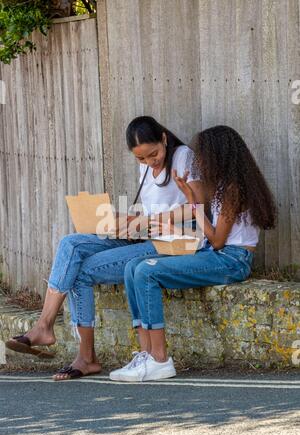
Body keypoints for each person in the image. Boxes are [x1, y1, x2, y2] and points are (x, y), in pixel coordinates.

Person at [5, 116, 203, 380]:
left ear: (164, 139)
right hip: (146, 234)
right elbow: (151, 210)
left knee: (81, 271)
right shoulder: (145, 168)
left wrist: (148, 221)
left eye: (153, 154)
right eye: (141, 159)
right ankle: (45, 324)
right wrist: (123, 220)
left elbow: (197, 204)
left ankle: (85, 356)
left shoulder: (183, 157)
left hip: (175, 241)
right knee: (71, 244)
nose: (149, 162)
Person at [109, 125, 277, 382]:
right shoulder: (222, 186)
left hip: (232, 260)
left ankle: (160, 359)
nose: (198, 160)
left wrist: (196, 206)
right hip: (217, 254)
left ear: (219, 156)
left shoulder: (232, 190)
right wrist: (192, 200)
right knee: (133, 266)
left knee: (146, 271)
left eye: (203, 155)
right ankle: (145, 353)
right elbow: (212, 238)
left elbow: (218, 241)